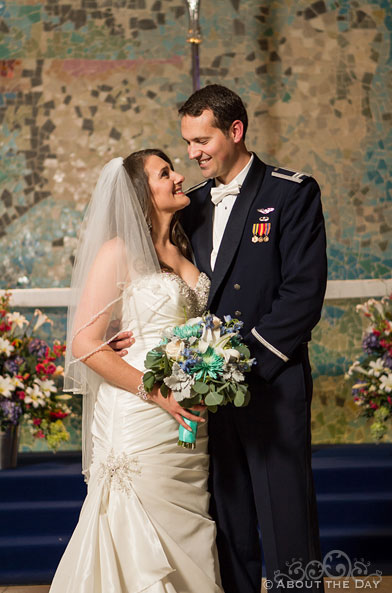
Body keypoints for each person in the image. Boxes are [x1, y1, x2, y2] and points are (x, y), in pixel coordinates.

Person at [114, 85, 327, 593]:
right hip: (208, 399)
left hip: (271, 387)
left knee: (287, 526)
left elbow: (301, 296)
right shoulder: (194, 204)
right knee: (228, 530)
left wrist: (235, 365)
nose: (192, 153)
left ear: (235, 131)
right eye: (187, 142)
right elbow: (154, 268)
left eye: (201, 140)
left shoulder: (291, 193)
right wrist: (133, 332)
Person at [49, 149, 224, 593]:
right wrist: (158, 394)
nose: (179, 177)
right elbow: (84, 343)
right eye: (165, 174)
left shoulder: (187, 246)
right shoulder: (119, 251)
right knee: (136, 534)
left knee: (190, 534)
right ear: (141, 194)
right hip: (140, 414)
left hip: (187, 422)